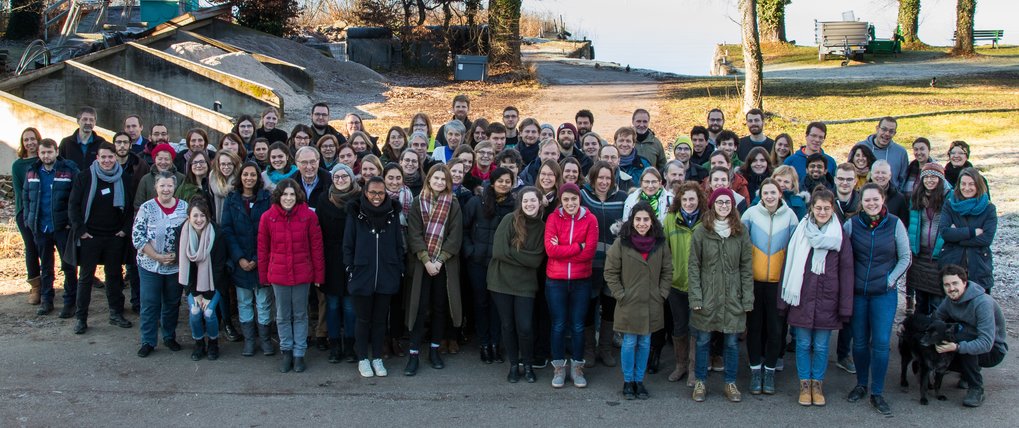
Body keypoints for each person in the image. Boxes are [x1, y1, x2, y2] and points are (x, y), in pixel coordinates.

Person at [778, 187, 854, 407]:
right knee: (802, 343)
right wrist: (782, 300)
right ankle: (804, 385)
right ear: (811, 208)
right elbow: (788, 265)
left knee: (821, 346)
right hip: (801, 296)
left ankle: (817, 384)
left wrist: (845, 306)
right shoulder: (801, 232)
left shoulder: (839, 236)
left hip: (828, 300)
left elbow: (847, 272)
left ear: (833, 209)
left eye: (826, 208)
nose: (822, 212)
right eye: (818, 207)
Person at [844, 183, 911, 416]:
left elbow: (905, 257)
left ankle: (878, 391)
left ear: (883, 199)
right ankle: (861, 384)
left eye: (875, 199)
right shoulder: (852, 224)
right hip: (858, 293)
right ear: (861, 202)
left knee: (881, 342)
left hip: (884, 293)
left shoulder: (894, 224)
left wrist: (890, 280)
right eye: (866, 200)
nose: (871, 203)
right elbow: (841, 255)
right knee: (860, 341)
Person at [689, 188, 753, 403]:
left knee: (732, 342)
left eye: (728, 202)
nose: (724, 206)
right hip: (707, 293)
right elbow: (694, 266)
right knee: (703, 340)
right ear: (712, 205)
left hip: (733, 294)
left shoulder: (741, 231)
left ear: (733, 206)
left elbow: (746, 267)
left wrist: (747, 298)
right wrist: (696, 297)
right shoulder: (701, 231)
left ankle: (730, 383)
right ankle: (700, 381)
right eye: (720, 202)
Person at [605, 201, 673, 400]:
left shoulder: (660, 243)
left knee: (645, 342)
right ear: (632, 221)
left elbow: (668, 271)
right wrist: (620, 294)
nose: (642, 223)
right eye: (638, 219)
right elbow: (610, 272)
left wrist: (662, 294)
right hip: (629, 302)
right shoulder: (621, 243)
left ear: (652, 221)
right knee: (629, 342)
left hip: (652, 301)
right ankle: (628, 381)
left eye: (646, 219)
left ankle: (639, 380)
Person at [258, 179, 325, 373]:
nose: (288, 198)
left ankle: (299, 353)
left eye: (292, 194)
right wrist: (264, 276)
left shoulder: (308, 216)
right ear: (278, 196)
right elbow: (263, 250)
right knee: (282, 316)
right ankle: (286, 350)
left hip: (302, 274)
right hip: (278, 275)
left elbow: (316, 248)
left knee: (300, 314)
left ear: (298, 196)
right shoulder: (267, 217)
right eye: (285, 194)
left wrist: (319, 276)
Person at [403, 164, 464, 376]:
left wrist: (439, 260)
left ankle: (435, 350)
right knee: (419, 308)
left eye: (443, 179)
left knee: (440, 308)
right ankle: (413, 354)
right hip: (422, 265)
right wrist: (426, 260)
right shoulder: (418, 202)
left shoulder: (453, 204)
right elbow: (414, 234)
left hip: (443, 265)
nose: (439, 182)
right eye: (435, 178)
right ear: (428, 179)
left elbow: (455, 236)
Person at [68, 142, 133, 334]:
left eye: (110, 157)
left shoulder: (124, 178)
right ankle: (81, 318)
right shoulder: (84, 177)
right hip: (90, 236)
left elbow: (130, 208)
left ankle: (115, 313)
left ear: (116, 158)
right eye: (103, 157)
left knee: (114, 276)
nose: (107, 160)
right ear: (97, 158)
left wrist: (124, 230)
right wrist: (81, 230)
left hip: (114, 236)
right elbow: (73, 205)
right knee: (86, 278)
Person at [344, 176, 405, 378]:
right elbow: (348, 244)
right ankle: (363, 358)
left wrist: (397, 269)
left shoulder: (393, 213)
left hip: (386, 274)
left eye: (380, 192)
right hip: (361, 274)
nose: (377, 197)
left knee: (380, 320)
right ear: (365, 193)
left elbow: (398, 244)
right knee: (363, 319)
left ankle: (377, 357)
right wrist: (351, 269)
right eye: (372, 193)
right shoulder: (356, 213)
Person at [741, 179, 798, 395]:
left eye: (773, 192)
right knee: (754, 328)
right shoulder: (750, 215)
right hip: (754, 281)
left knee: (776, 329)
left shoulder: (791, 216)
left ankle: (770, 370)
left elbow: (794, 249)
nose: (770, 196)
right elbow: (742, 246)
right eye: (766, 193)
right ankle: (756, 370)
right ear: (760, 194)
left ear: (780, 194)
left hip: (778, 282)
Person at [488, 186, 546, 383]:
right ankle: (514, 365)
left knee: (525, 326)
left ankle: (528, 364)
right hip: (501, 280)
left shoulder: (542, 227)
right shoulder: (509, 220)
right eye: (526, 201)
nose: (530, 204)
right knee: (507, 324)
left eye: (533, 200)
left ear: (540, 202)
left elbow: (536, 260)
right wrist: (524, 258)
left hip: (526, 285)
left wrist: (513, 253)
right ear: (520, 203)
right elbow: (498, 251)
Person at [544, 183, 598, 389]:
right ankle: (558, 367)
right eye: (565, 199)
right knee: (558, 325)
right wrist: (577, 246)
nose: (570, 203)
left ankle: (577, 367)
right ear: (561, 200)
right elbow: (550, 250)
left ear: (579, 199)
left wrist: (564, 249)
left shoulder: (590, 219)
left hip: (581, 280)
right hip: (555, 281)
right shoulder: (553, 218)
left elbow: (589, 253)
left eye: (573, 199)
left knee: (577, 326)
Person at [220, 162, 275, 357]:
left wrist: (257, 258)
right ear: (240, 177)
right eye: (245, 174)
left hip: (262, 259)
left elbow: (270, 230)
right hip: (239, 261)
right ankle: (250, 341)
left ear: (258, 178)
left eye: (253, 175)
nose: (249, 178)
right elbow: (226, 229)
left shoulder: (267, 198)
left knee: (263, 302)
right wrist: (240, 258)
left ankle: (266, 340)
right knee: (244, 302)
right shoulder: (232, 199)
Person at [463, 168, 517, 363]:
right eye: (500, 180)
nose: (504, 184)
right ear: (492, 182)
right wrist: (471, 251)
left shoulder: (514, 205)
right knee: (481, 302)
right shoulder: (477, 202)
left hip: (501, 264)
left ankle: (496, 343)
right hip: (478, 262)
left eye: (508, 181)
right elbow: (464, 228)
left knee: (497, 305)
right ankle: (484, 343)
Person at [131, 172, 188, 356]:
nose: (166, 189)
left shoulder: (184, 208)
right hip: (150, 264)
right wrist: (156, 255)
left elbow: (189, 235)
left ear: (175, 187)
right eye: (162, 186)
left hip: (175, 266)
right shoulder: (147, 208)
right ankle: (148, 340)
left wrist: (177, 255)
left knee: (172, 302)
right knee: (150, 302)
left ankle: (169, 336)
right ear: (156, 187)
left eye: (170, 186)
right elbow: (138, 236)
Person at [934, 265, 1008, 408]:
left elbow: (986, 343)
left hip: (993, 350)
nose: (951, 288)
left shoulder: (982, 303)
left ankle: (976, 388)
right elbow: (935, 319)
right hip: (967, 340)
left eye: (955, 283)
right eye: (947, 285)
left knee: (965, 343)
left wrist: (956, 347)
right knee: (944, 339)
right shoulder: (949, 300)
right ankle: (966, 373)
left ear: (964, 283)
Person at [23, 138, 80, 316]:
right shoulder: (32, 171)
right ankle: (47, 300)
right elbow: (26, 196)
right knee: (46, 266)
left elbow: (77, 197)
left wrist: (72, 222)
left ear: (56, 152)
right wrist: (28, 220)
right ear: (39, 154)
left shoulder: (69, 170)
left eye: (49, 152)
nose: (46, 155)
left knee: (69, 265)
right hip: (41, 227)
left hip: (63, 227)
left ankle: (71, 302)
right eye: (43, 152)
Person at [579, 161, 627, 368]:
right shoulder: (583, 197)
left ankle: (605, 349)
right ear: (593, 179)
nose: (604, 182)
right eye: (600, 178)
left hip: (614, 265)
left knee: (610, 307)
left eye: (608, 178)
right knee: (589, 308)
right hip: (590, 264)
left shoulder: (623, 199)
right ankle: (590, 349)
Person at [317, 163, 361, 363]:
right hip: (330, 258)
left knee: (351, 305)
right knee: (333, 305)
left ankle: (350, 346)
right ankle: (335, 345)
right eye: (337, 177)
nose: (341, 180)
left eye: (345, 176)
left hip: (353, 257)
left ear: (351, 178)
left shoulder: (360, 199)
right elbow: (318, 235)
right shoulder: (323, 200)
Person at [663, 182, 706, 385]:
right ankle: (680, 365)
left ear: (699, 200)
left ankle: (693, 369)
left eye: (692, 199)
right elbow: (664, 250)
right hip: (676, 282)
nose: (688, 203)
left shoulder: (707, 220)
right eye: (685, 199)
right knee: (679, 326)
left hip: (699, 285)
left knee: (696, 327)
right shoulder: (671, 219)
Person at [177, 199, 228, 361]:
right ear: (188, 217)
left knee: (209, 312)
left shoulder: (217, 233)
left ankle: (213, 342)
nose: (199, 219)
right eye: (195, 216)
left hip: (214, 283)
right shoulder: (182, 233)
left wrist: (207, 294)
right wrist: (195, 293)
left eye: (203, 216)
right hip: (193, 285)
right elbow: (185, 265)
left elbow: (219, 267)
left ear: (208, 216)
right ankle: (198, 343)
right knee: (194, 312)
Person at [939, 168, 996, 294]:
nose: (967, 188)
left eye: (971, 184)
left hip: (979, 266)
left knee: (978, 307)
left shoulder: (989, 208)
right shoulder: (950, 205)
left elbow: (987, 238)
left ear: (978, 185)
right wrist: (972, 232)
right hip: (952, 263)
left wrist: (958, 238)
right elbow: (945, 233)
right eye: (963, 184)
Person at [907, 163, 950, 315]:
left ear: (940, 179)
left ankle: (934, 335)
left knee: (937, 302)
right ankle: (919, 335)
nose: (930, 180)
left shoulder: (948, 197)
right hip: (920, 254)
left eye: (934, 177)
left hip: (938, 255)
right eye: (926, 177)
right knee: (921, 302)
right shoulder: (917, 196)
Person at [13, 127, 43, 307]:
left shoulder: (44, 159)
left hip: (45, 212)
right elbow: (20, 192)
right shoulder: (18, 165)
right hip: (25, 212)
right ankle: (35, 286)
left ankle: (48, 285)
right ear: (22, 143)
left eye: (33, 139)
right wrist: (26, 215)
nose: (30, 143)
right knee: (31, 247)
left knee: (45, 248)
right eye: (26, 140)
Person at [856, 117, 909, 190]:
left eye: (891, 131)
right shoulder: (860, 147)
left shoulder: (901, 153)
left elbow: (903, 180)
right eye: (884, 129)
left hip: (891, 198)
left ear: (894, 133)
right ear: (877, 128)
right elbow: (849, 170)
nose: (887, 133)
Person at [784, 122, 836, 191]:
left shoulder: (830, 162)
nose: (817, 140)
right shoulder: (791, 161)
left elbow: (834, 187)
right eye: (813, 135)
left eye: (821, 137)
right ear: (806, 136)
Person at [134, 144, 183, 210]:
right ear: (155, 160)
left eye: (166, 159)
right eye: (160, 159)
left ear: (171, 160)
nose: (163, 162)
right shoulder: (146, 179)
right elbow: (138, 205)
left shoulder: (181, 178)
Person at [869, 160, 908, 225]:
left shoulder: (899, 198)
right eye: (877, 172)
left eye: (883, 173)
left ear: (890, 176)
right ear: (871, 175)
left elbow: (903, 225)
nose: (880, 176)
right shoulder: (862, 196)